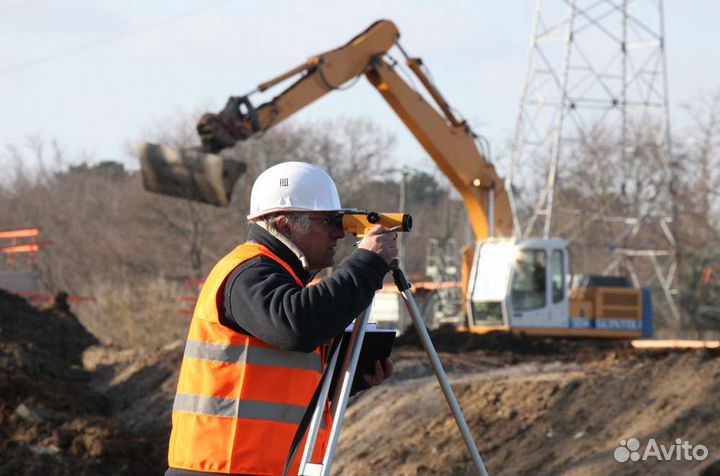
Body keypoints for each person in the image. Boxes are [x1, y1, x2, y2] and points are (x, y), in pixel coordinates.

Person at [166, 161, 397, 476]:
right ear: (286, 223)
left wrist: (348, 379)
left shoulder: (285, 281)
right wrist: (367, 264)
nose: (338, 233)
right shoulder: (248, 272)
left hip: (265, 467)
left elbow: (280, 378)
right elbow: (297, 327)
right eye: (329, 221)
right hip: (222, 466)